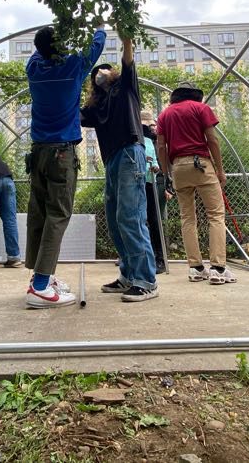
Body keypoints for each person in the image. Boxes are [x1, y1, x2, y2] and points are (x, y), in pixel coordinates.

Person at [24, 22, 106, 308]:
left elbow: (40, 51)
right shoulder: (72, 67)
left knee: (40, 212)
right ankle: (41, 285)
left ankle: (41, 275)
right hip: (61, 154)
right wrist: (99, 27)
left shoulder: (33, 69)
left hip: (38, 153)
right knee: (58, 215)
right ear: (61, 48)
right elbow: (95, 48)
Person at [81, 35, 158, 302]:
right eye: (94, 73)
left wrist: (126, 41)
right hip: (112, 160)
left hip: (130, 152)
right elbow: (75, 114)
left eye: (103, 69)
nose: (99, 74)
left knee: (131, 216)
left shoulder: (125, 89)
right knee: (115, 220)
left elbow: (128, 63)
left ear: (112, 73)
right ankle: (128, 275)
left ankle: (146, 280)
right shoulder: (96, 106)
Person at [155, 81, 235, 285]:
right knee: (216, 215)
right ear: (194, 95)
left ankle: (196, 267)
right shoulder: (201, 108)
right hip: (202, 164)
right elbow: (212, 139)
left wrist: (166, 173)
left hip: (178, 167)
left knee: (187, 217)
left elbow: (161, 146)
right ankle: (218, 268)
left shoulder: (165, 114)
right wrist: (220, 169)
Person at [141, 109, 167, 274]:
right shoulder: (136, 138)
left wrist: (167, 185)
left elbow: (164, 163)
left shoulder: (156, 140)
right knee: (137, 219)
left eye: (151, 124)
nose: (150, 127)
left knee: (154, 220)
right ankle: (138, 255)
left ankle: (160, 257)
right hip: (137, 183)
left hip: (154, 183)